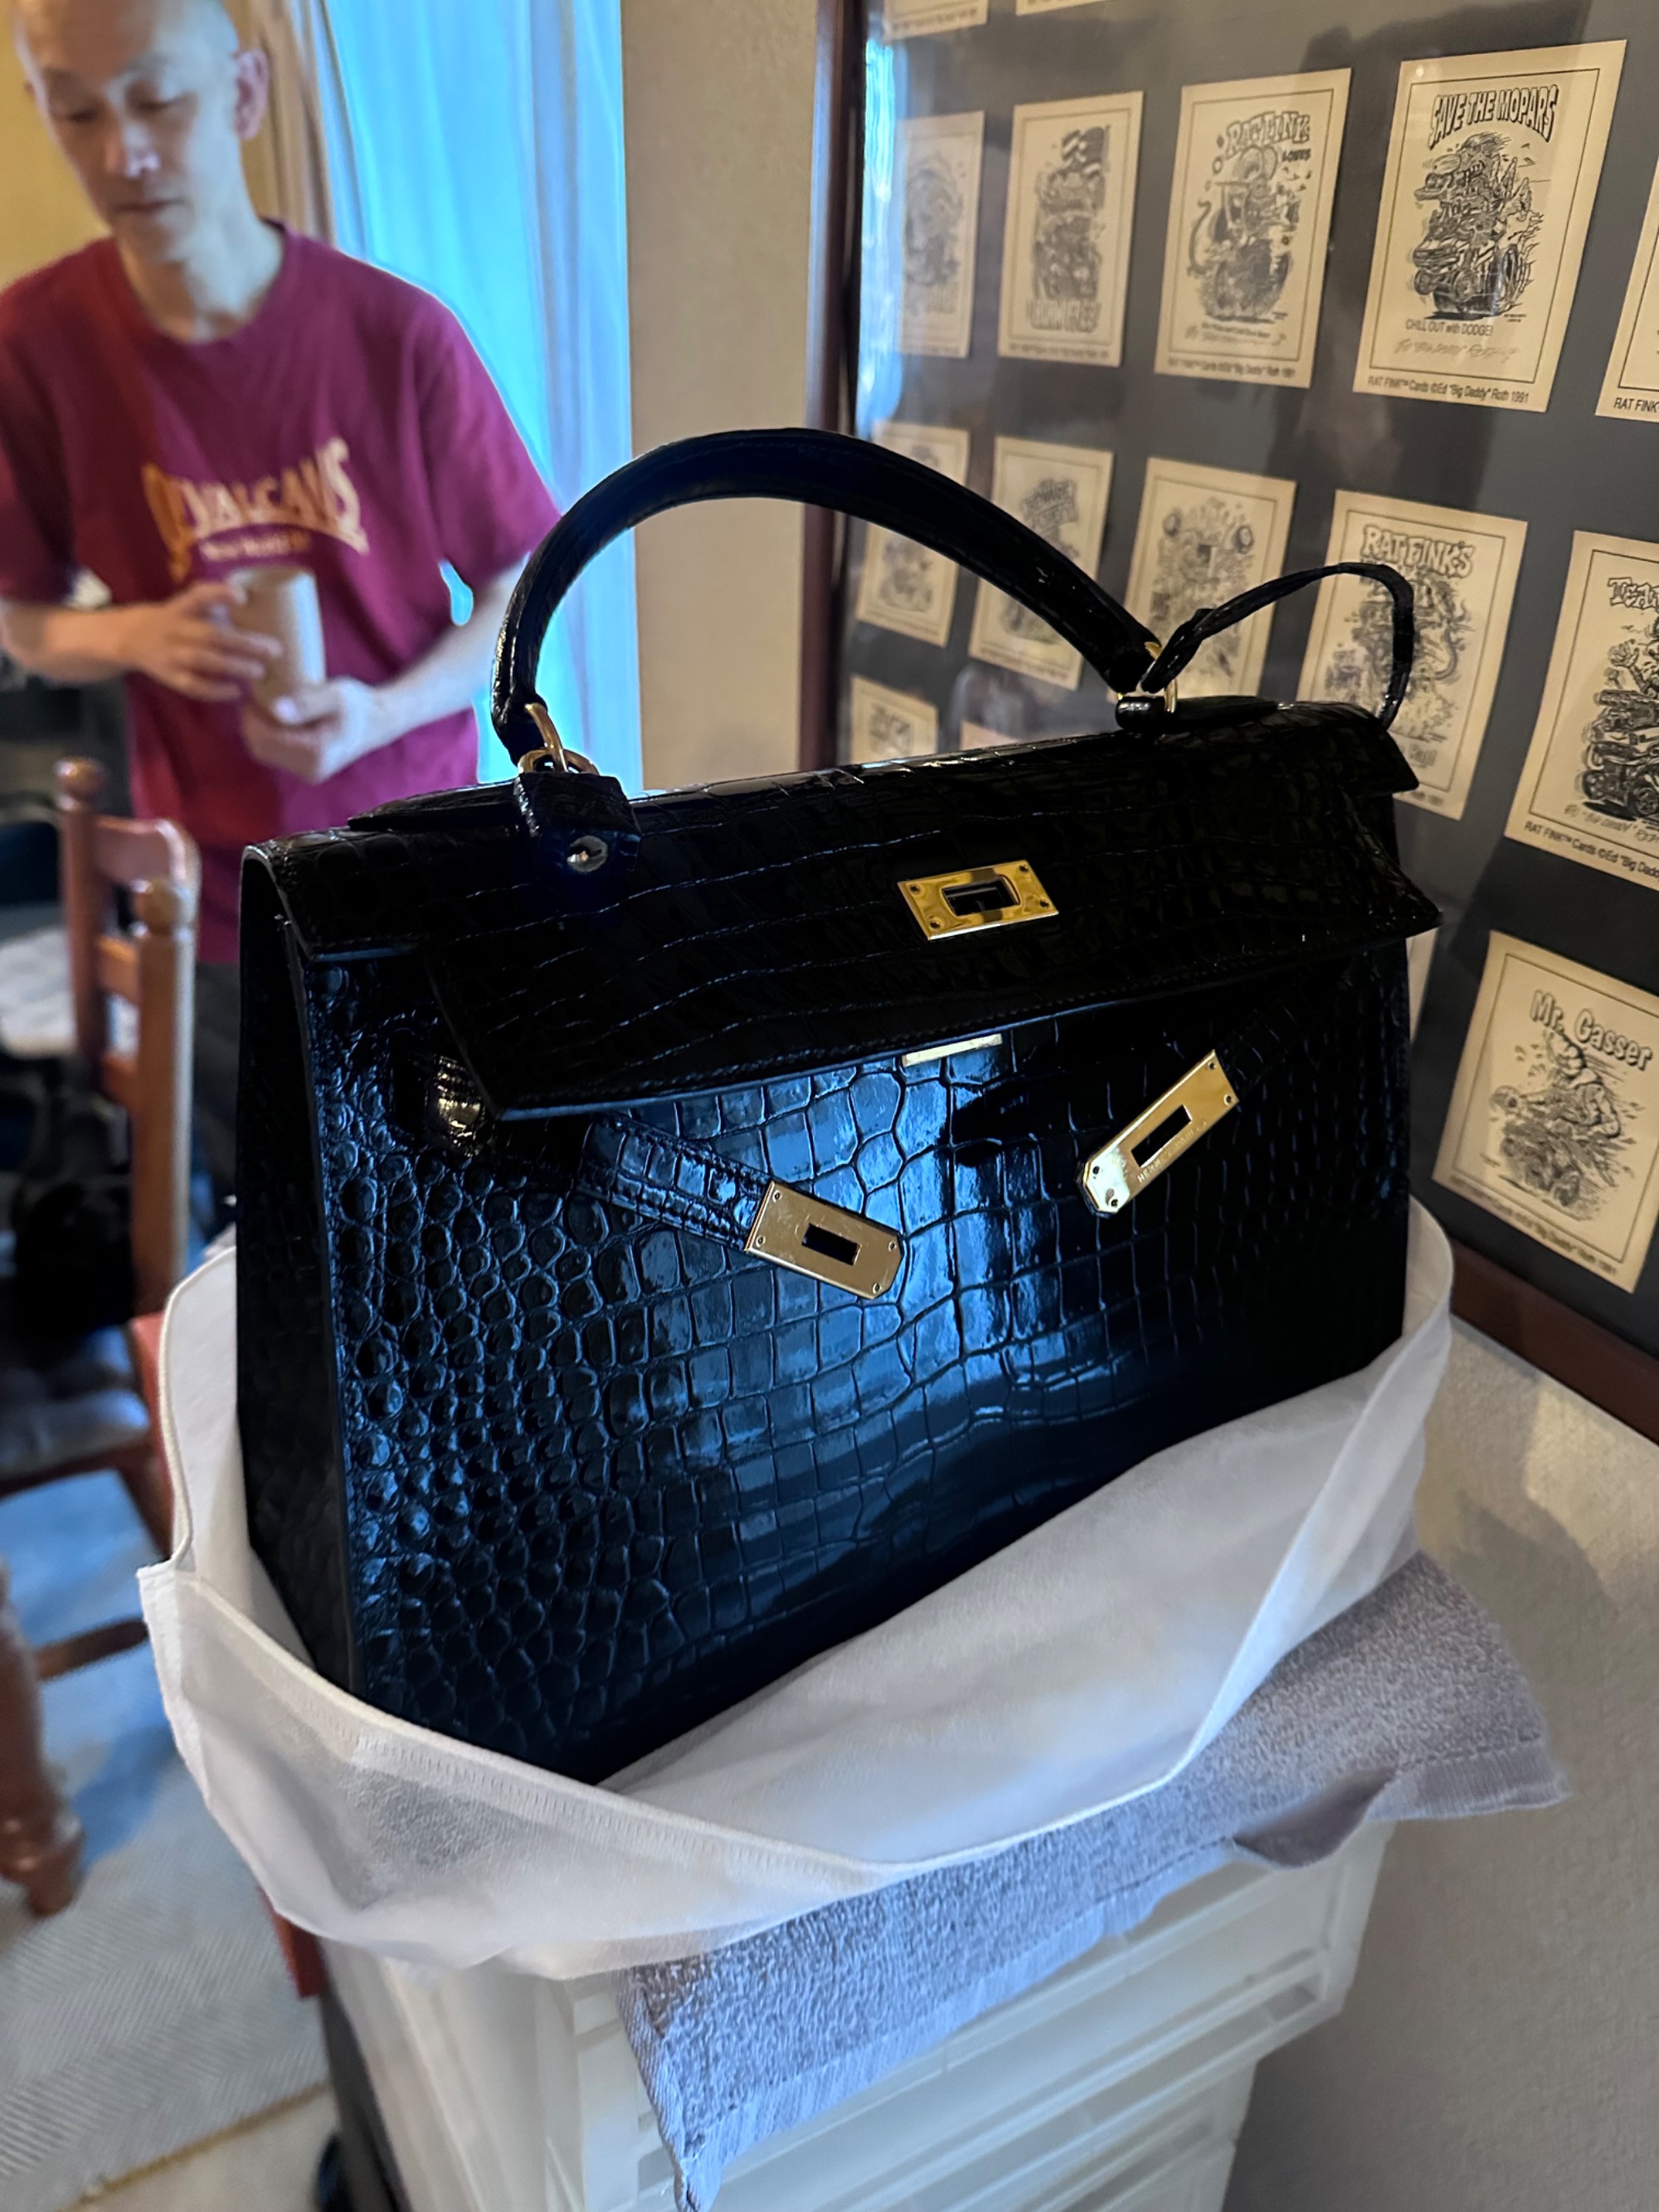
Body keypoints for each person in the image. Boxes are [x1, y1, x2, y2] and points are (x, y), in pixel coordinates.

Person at [0, 0, 559, 1205]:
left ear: (245, 96)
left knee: (449, 1206)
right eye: (76, 112)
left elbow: (521, 586)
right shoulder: (35, 347)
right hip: (214, 897)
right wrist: (138, 635)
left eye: (159, 100)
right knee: (272, 1221)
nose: (121, 154)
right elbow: (22, 617)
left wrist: (378, 711)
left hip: (418, 865)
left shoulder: (396, 335)